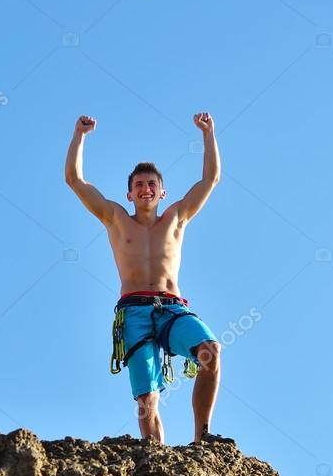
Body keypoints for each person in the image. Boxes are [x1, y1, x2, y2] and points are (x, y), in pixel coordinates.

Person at [65, 112, 231, 446]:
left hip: (172, 308)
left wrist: (208, 134)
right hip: (134, 312)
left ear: (162, 192)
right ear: (129, 195)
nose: (146, 188)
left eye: (152, 184)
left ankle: (202, 436)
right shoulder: (115, 218)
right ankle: (155, 455)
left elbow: (211, 178)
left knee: (210, 351)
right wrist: (79, 136)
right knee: (147, 398)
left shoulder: (176, 217)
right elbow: (75, 180)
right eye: (139, 185)